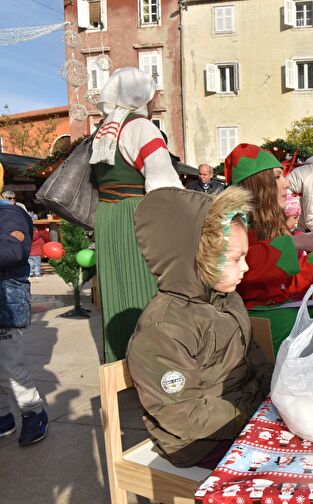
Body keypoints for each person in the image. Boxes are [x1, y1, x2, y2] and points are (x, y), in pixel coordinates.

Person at [127, 186, 272, 468]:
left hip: (242, 417)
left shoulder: (227, 300)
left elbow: (252, 354)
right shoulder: (164, 328)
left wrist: (277, 389)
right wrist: (253, 411)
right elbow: (182, 413)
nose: (245, 268)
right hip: (199, 443)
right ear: (198, 257)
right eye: (234, 259)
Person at [88, 67, 183, 363]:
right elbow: (163, 183)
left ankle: (121, 359)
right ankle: (150, 363)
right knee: (146, 288)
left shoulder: (103, 131)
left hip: (106, 215)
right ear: (142, 96)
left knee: (116, 289)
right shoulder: (141, 127)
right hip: (135, 213)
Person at [227, 144, 313, 353]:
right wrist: (298, 242)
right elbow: (243, 266)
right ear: (257, 184)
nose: (286, 184)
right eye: (278, 176)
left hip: (276, 314)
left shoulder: (271, 225)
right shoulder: (233, 224)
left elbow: (288, 284)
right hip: (251, 322)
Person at [0, 173, 49, 446]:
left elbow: (15, 250)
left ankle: (34, 412)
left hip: (4, 301)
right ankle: (3, 417)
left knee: (8, 366)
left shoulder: (11, 215)